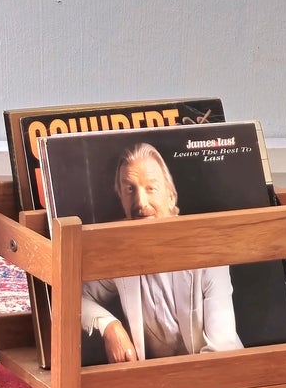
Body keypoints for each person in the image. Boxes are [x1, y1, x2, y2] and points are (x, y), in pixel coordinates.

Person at [81, 140, 242, 362]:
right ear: (121, 198)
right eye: (130, 189)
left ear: (171, 197)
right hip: (152, 382)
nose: (140, 202)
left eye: (151, 188)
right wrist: (109, 326)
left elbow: (222, 348)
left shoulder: (208, 250)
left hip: (216, 380)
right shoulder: (120, 252)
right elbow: (77, 296)